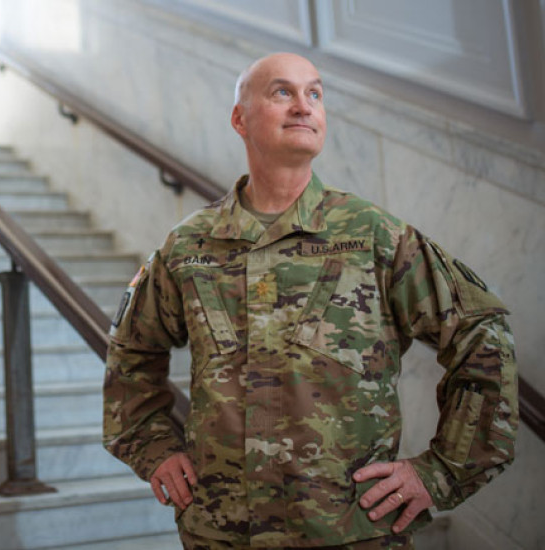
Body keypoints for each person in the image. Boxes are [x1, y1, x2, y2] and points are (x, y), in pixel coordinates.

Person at [102, 52, 518, 549]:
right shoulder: (190, 247)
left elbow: (482, 334)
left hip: (352, 532)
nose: (303, 105)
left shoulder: (375, 237)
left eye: (314, 93)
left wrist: (442, 471)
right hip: (222, 533)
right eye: (282, 92)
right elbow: (131, 350)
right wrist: (154, 449)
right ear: (240, 118)